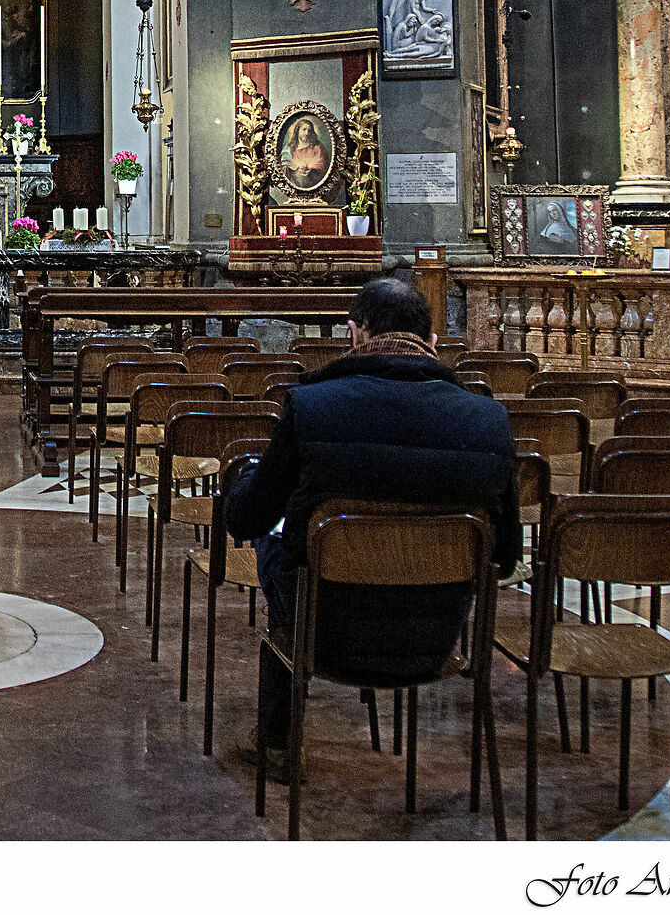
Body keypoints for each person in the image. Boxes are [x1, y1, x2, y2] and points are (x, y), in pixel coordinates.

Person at [219, 276, 519, 782]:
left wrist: (247, 476)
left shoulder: (314, 406)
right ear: (432, 339)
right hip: (437, 637)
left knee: (279, 543)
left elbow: (243, 519)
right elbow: (505, 555)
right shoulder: (488, 420)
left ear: (355, 335)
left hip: (325, 633)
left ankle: (276, 740)